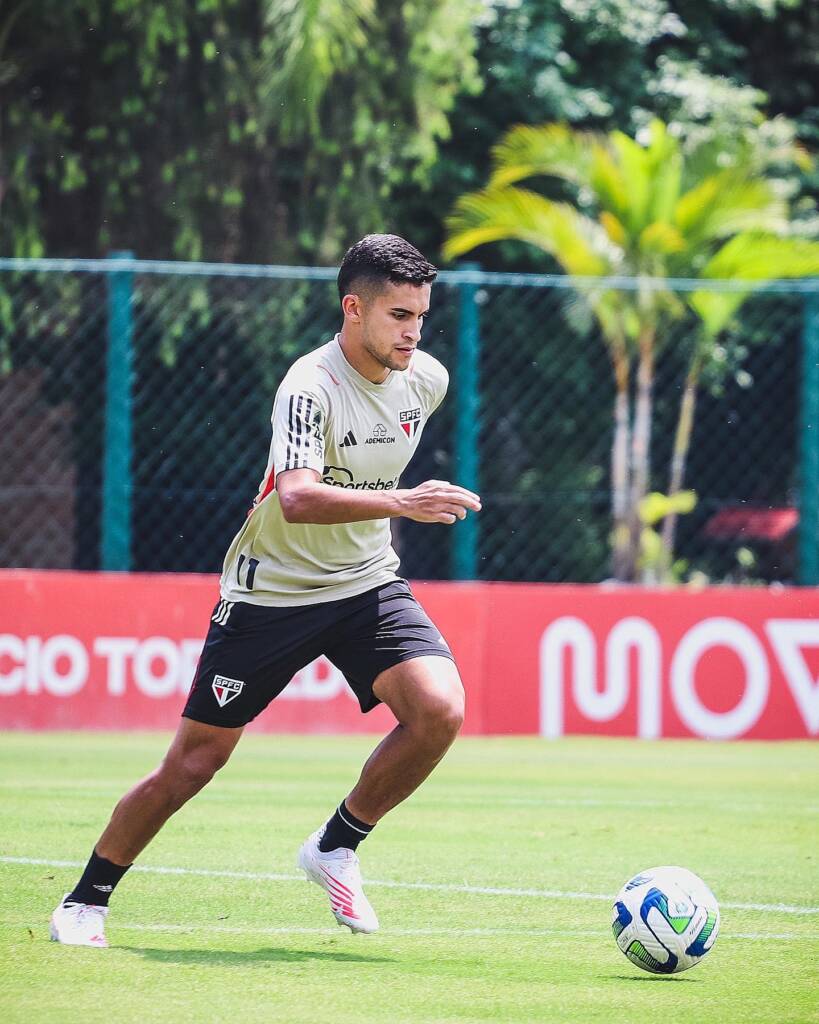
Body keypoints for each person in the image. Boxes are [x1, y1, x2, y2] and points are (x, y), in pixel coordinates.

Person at [50, 233, 481, 947]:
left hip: (365, 581)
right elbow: (297, 497)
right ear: (353, 309)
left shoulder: (424, 380)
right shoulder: (309, 386)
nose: (413, 332)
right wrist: (402, 502)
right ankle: (85, 900)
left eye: (421, 317)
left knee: (439, 710)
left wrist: (389, 509)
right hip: (271, 594)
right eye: (399, 315)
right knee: (195, 762)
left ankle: (335, 845)